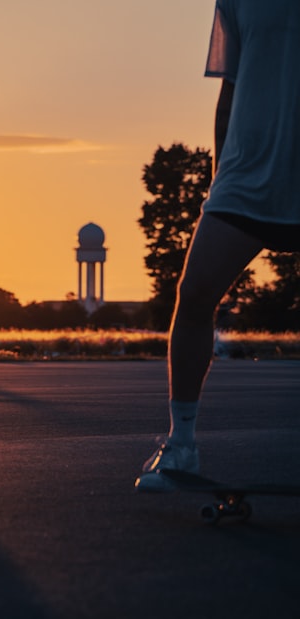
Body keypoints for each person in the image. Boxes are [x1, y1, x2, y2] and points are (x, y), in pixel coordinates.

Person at [136, 0, 300, 491]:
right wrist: (219, 178)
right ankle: (180, 445)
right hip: (247, 174)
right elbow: (229, 87)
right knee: (194, 294)